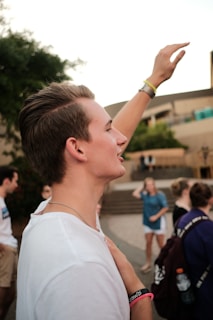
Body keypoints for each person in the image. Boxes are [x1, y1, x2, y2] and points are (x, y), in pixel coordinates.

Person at [16, 42, 189, 320]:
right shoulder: (80, 269)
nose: (120, 139)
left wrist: (153, 81)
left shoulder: (50, 216)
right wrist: (139, 297)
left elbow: (113, 140)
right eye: (108, 129)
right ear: (78, 149)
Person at [176, 182, 213, 320]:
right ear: (210, 199)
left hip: (188, 282)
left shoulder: (182, 220)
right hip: (206, 288)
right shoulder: (207, 228)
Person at [132, 177, 169, 273]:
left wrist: (156, 216)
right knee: (148, 243)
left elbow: (165, 208)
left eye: (151, 184)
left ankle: (165, 263)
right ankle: (148, 263)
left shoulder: (160, 195)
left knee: (161, 244)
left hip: (158, 222)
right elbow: (135, 194)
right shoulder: (145, 195)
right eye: (147, 185)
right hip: (147, 223)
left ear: (154, 185)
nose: (150, 187)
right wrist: (142, 186)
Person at [0, 165, 19, 320]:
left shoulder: (2, 201)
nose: (16, 185)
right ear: (6, 181)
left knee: (11, 293)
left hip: (10, 249)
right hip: (5, 251)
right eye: (15, 181)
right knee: (3, 291)